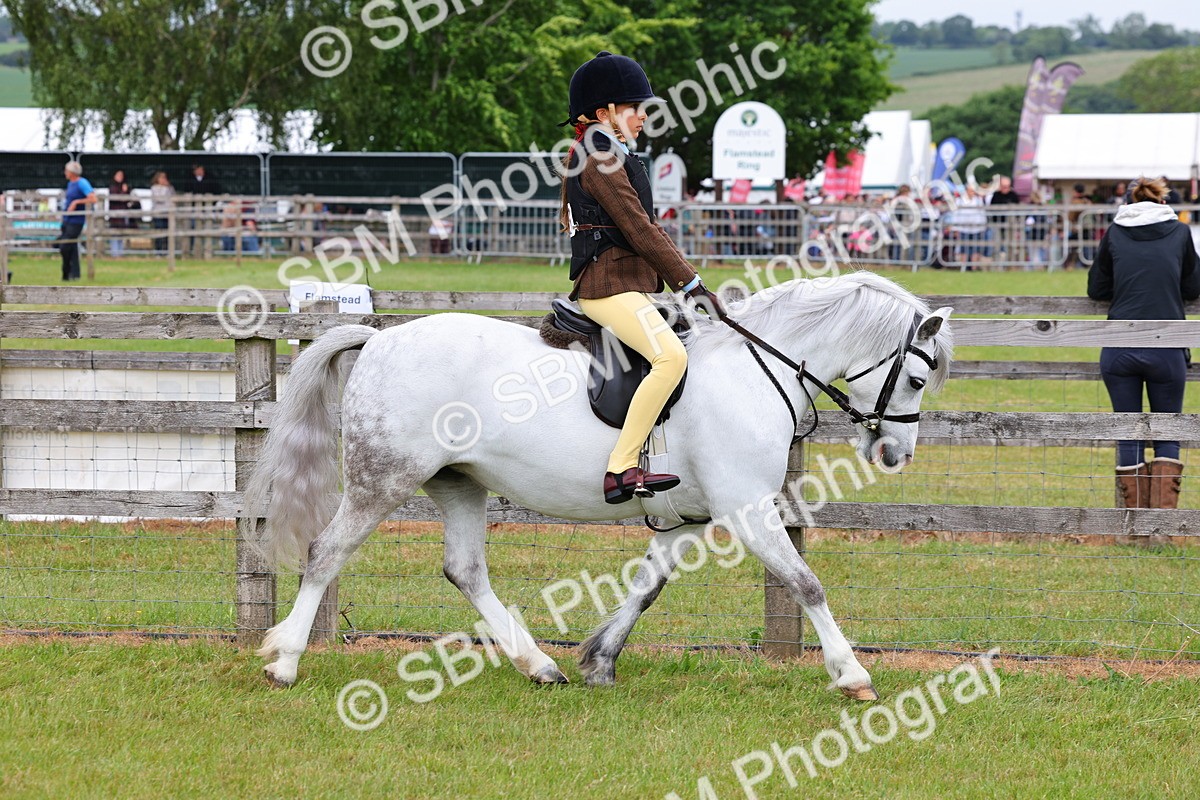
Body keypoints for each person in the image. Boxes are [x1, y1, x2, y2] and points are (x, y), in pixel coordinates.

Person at [559, 50, 723, 504]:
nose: (643, 118)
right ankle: (621, 468)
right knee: (671, 358)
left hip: (627, 285)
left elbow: (648, 229)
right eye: (635, 109)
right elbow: (638, 228)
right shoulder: (599, 158)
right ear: (603, 113)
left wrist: (689, 280)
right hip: (606, 287)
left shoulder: (610, 152)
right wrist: (690, 285)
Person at [1088, 175, 1200, 510]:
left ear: (1129, 203)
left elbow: (1096, 289)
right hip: (1166, 345)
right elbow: (1193, 287)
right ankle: (1162, 527)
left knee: (1128, 432)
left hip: (1120, 345)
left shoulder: (1115, 232)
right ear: (1164, 203)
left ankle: (1132, 525)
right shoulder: (1179, 232)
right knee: (1167, 431)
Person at [58, 161, 97, 281]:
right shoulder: (70, 184)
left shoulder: (82, 183)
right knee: (72, 247)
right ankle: (74, 275)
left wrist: (76, 202)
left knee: (64, 247)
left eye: (66, 170)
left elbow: (93, 198)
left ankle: (66, 272)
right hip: (67, 219)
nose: (65, 173)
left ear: (72, 172)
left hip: (76, 221)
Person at [107, 169, 133, 258]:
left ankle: (120, 253)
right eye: (118, 175)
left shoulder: (125, 186)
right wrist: (124, 192)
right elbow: (118, 198)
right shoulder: (113, 187)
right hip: (115, 214)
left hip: (123, 214)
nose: (120, 177)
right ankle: (115, 253)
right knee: (115, 233)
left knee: (121, 233)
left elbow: (128, 199)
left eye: (121, 176)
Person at [150, 171, 174, 253]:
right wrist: (165, 188)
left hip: (167, 213)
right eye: (161, 178)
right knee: (159, 232)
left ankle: (167, 251)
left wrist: (168, 187)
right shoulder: (154, 188)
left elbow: (173, 198)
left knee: (167, 233)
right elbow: (159, 199)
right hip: (158, 213)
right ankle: (158, 251)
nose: (163, 179)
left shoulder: (169, 188)